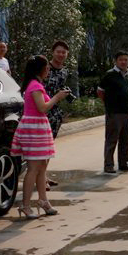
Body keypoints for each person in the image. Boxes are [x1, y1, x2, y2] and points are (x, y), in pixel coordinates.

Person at [10, 55, 69, 218]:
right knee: (33, 168)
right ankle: (25, 204)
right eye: (47, 68)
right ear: (41, 69)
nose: (49, 71)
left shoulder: (35, 84)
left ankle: (43, 200)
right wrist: (57, 97)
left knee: (42, 166)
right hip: (33, 129)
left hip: (38, 127)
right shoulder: (35, 86)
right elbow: (42, 108)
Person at [43, 40, 77, 187]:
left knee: (49, 145)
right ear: (52, 52)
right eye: (58, 51)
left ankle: (43, 175)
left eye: (64, 52)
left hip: (56, 111)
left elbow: (61, 86)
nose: (61, 54)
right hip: (43, 109)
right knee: (42, 146)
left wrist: (68, 95)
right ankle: (40, 179)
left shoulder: (64, 70)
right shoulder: (44, 68)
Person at [98, 52, 128, 174]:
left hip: (127, 113)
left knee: (125, 139)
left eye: (126, 59)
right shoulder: (110, 75)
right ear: (116, 61)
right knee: (111, 140)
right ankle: (108, 165)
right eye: (121, 60)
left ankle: (123, 163)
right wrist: (109, 104)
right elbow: (100, 91)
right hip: (114, 113)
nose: (123, 62)